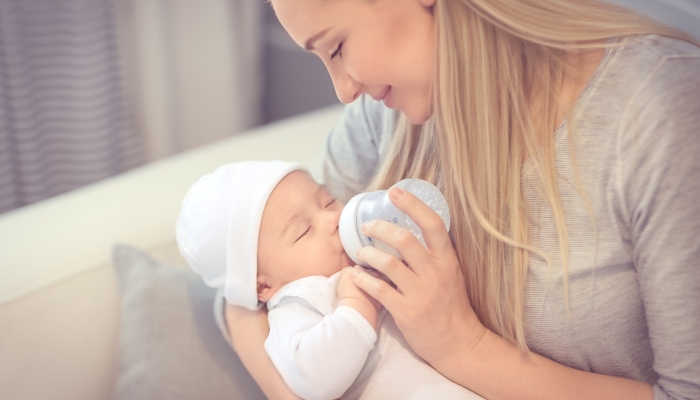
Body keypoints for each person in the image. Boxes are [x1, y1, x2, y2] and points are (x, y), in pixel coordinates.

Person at [224, 0, 700, 399]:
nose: (345, 90)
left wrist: (461, 346)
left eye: (338, 48)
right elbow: (246, 281)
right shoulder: (386, 120)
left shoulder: (662, 110)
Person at [176, 161, 483, 400]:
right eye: (303, 231)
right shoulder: (296, 303)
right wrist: (355, 306)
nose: (331, 219)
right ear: (263, 286)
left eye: (327, 201)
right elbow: (313, 378)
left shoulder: (369, 254)